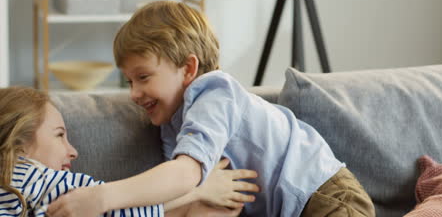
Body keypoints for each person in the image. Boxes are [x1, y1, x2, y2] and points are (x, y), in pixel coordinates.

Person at [47, 1, 375, 217]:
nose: (133, 93)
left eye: (143, 77)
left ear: (189, 69)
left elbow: (185, 175)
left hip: (327, 198)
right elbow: (192, 196)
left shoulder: (215, 93)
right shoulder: (171, 127)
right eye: (129, 81)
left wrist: (101, 197)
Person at [0, 86, 257, 217]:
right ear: (18, 142)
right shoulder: (31, 177)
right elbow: (116, 210)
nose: (73, 151)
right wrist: (200, 189)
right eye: (59, 135)